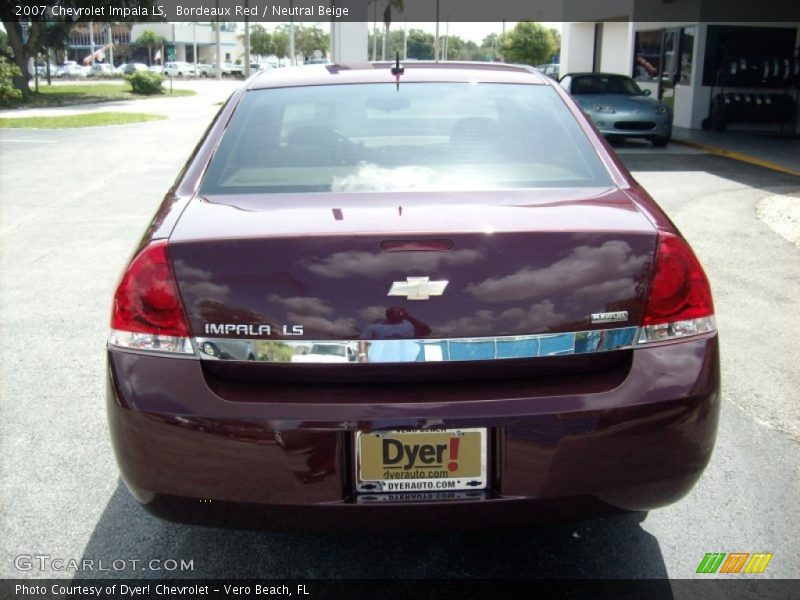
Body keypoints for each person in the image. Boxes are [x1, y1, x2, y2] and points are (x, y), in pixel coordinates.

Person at [359, 307, 432, 363]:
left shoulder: (411, 325)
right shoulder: (374, 327)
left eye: (398, 313)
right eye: (392, 312)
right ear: (387, 314)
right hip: (381, 362)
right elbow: (362, 341)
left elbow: (427, 331)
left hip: (409, 362)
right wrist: (363, 356)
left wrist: (409, 317)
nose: (395, 314)